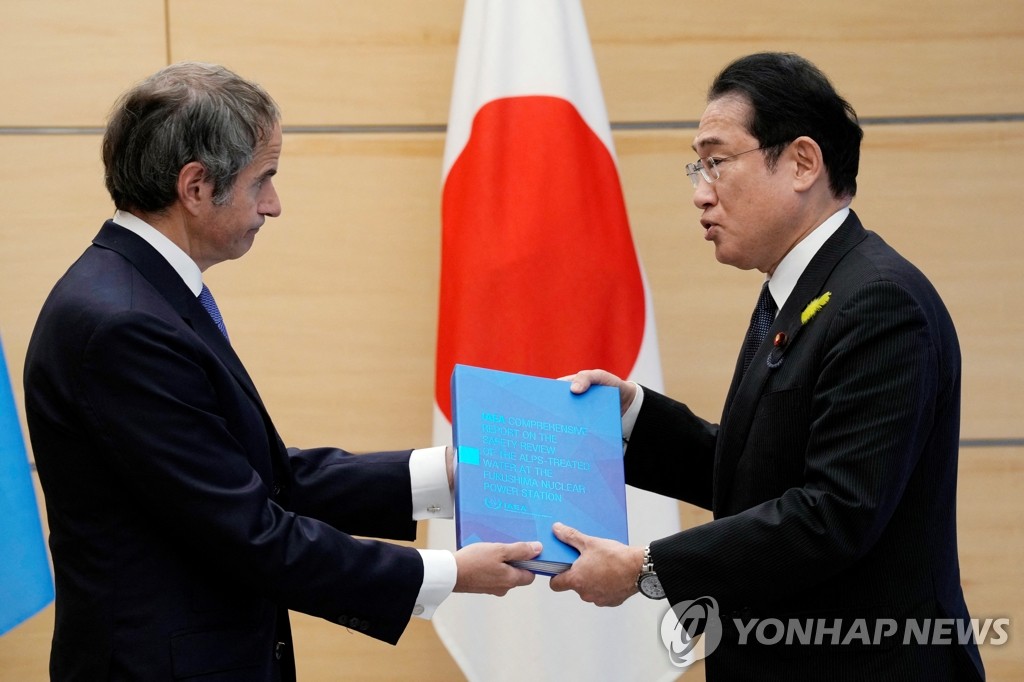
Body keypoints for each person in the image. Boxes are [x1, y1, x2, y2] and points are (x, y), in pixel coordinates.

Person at [23, 61, 539, 681]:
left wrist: (451, 476)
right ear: (194, 186)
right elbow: (248, 530)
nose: (274, 205)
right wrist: (449, 573)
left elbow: (261, 478)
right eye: (262, 179)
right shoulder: (123, 324)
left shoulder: (138, 294)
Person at [547, 52, 985, 681]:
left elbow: (832, 512)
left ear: (803, 162)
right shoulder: (796, 289)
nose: (701, 192)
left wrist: (647, 567)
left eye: (717, 162)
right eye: (698, 167)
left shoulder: (881, 301)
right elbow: (764, 474)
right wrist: (635, 419)